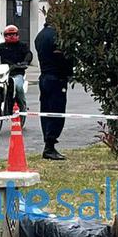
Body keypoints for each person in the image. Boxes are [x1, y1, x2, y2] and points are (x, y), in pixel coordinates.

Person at [34, 20, 73, 161]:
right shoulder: (57, 36)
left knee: (45, 110)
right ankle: (50, 146)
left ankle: (48, 142)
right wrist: (69, 71)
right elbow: (63, 58)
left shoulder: (40, 36)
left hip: (44, 76)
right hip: (56, 78)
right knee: (57, 111)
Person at [0, 25, 32, 112]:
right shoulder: (1, 46)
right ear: (5, 36)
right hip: (4, 74)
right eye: (9, 34)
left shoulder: (22, 46)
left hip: (17, 72)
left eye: (14, 34)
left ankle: (22, 106)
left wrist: (25, 62)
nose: (12, 36)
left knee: (19, 87)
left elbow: (28, 54)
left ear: (18, 35)